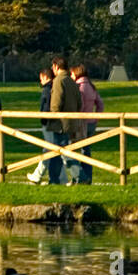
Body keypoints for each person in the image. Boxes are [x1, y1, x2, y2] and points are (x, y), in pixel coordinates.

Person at [45, 56, 83, 185]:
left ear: (56, 66)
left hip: (60, 123)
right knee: (62, 152)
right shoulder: (72, 81)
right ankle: (55, 179)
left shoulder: (58, 81)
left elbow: (56, 103)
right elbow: (79, 102)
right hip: (72, 122)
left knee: (59, 152)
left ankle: (78, 176)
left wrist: (53, 115)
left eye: (53, 67)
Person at [72, 64, 104, 185]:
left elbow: (79, 106)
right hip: (91, 122)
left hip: (81, 123)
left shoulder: (79, 87)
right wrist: (96, 117)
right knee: (87, 150)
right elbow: (100, 104)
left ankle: (79, 176)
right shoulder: (92, 87)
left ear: (77, 74)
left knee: (74, 150)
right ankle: (88, 177)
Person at [26, 68, 57, 184]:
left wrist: (43, 119)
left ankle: (38, 175)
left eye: (41, 78)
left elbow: (46, 107)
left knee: (50, 149)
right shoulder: (54, 87)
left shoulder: (46, 90)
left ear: (44, 77)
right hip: (53, 122)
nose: (40, 81)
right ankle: (57, 178)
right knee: (54, 150)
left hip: (48, 123)